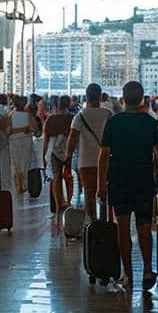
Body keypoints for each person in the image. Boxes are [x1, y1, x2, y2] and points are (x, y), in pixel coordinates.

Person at [98, 80, 158, 289]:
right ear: (141, 99)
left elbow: (103, 156)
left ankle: (128, 274)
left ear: (122, 97)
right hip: (144, 181)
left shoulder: (114, 122)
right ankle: (147, 270)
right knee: (145, 226)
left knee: (122, 226)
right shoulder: (149, 122)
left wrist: (101, 186)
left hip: (119, 180)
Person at [66, 82, 109, 220]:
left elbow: (71, 141)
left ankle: (92, 222)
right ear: (100, 96)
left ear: (86, 97)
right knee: (106, 192)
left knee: (89, 193)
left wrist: (67, 160)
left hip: (86, 161)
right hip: (107, 160)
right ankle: (105, 221)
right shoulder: (108, 114)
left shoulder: (80, 116)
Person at [43, 95, 74, 212]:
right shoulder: (72, 119)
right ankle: (69, 202)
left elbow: (45, 142)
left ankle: (57, 204)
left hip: (54, 153)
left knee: (56, 178)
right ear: (70, 104)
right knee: (69, 178)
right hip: (69, 152)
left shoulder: (51, 120)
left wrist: (43, 158)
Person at [7, 95, 34, 195]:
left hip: (14, 141)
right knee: (26, 162)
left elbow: (8, 130)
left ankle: (19, 186)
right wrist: (24, 129)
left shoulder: (11, 115)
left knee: (16, 164)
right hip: (26, 140)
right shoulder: (28, 114)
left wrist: (16, 130)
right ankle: (26, 184)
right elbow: (34, 128)